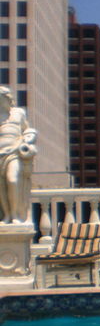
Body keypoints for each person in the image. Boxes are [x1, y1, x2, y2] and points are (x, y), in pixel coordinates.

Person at [0, 86, 37, 224]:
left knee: (12, 180)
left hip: (14, 153)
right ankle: (7, 215)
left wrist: (28, 138)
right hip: (0, 154)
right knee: (1, 187)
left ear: (7, 99)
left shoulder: (18, 113)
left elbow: (28, 130)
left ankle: (15, 214)